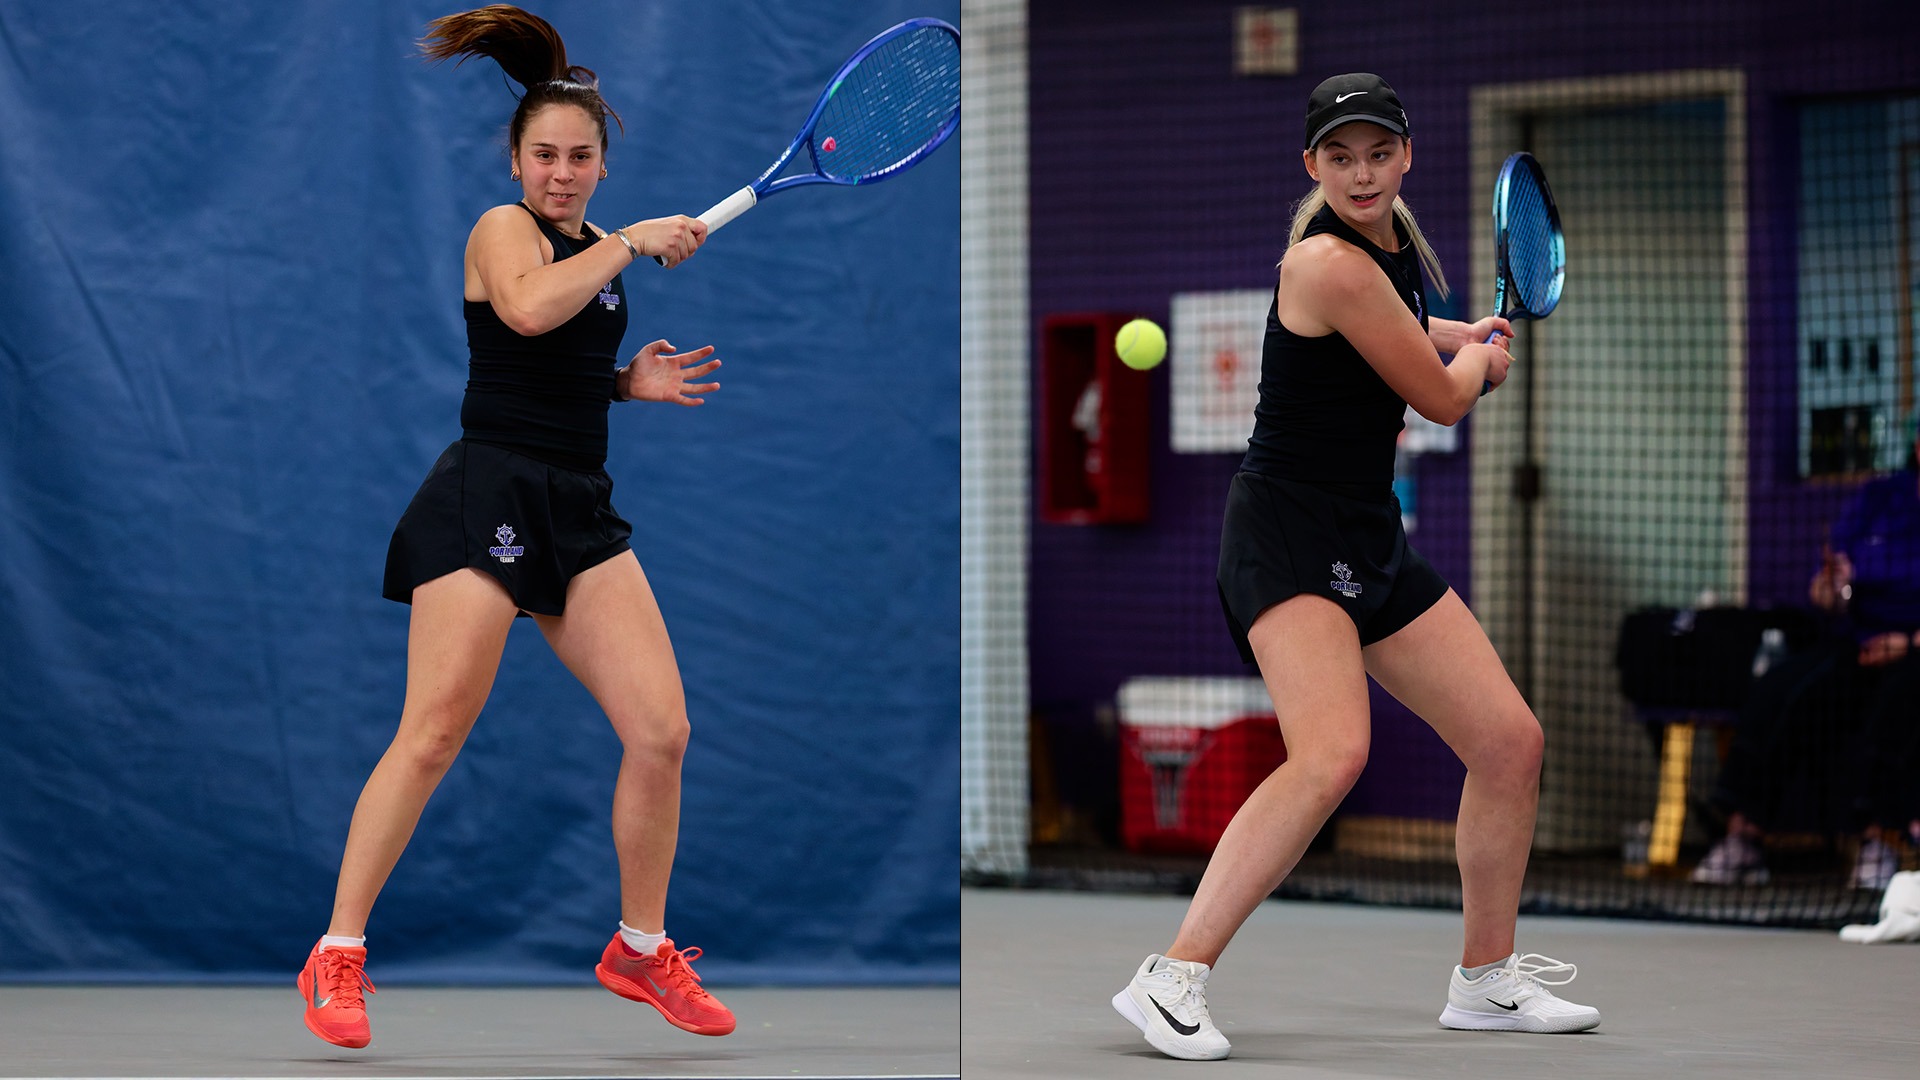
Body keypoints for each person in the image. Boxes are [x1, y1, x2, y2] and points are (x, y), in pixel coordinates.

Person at [1110, 73, 1599, 1062]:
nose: (1363, 171)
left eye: (1379, 152)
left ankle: (1487, 979)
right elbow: (1443, 400)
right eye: (1341, 156)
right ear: (1312, 167)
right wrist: (1477, 365)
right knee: (1330, 754)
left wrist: (1457, 335)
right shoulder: (1326, 261)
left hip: (1366, 535)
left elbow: (1403, 337)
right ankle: (1171, 979)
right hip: (1286, 537)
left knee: (1509, 743)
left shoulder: (1394, 251)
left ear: (1407, 155)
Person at [296, 5, 731, 1049]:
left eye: (580, 157)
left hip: (577, 504)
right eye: (545, 155)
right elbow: (527, 315)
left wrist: (625, 385)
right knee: (436, 729)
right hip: (485, 494)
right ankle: (337, 955)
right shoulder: (507, 232)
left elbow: (553, 362)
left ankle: (638, 946)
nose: (561, 173)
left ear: (601, 166)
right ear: (516, 158)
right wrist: (630, 242)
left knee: (662, 732)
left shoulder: (596, 254)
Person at [1695, 421, 1920, 890]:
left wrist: (1908, 642)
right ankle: (1745, 835)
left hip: (1914, 650)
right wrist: (1833, 591)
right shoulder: (1881, 497)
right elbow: (1833, 586)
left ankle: (1878, 841)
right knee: (1784, 687)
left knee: (1899, 698)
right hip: (1857, 643)